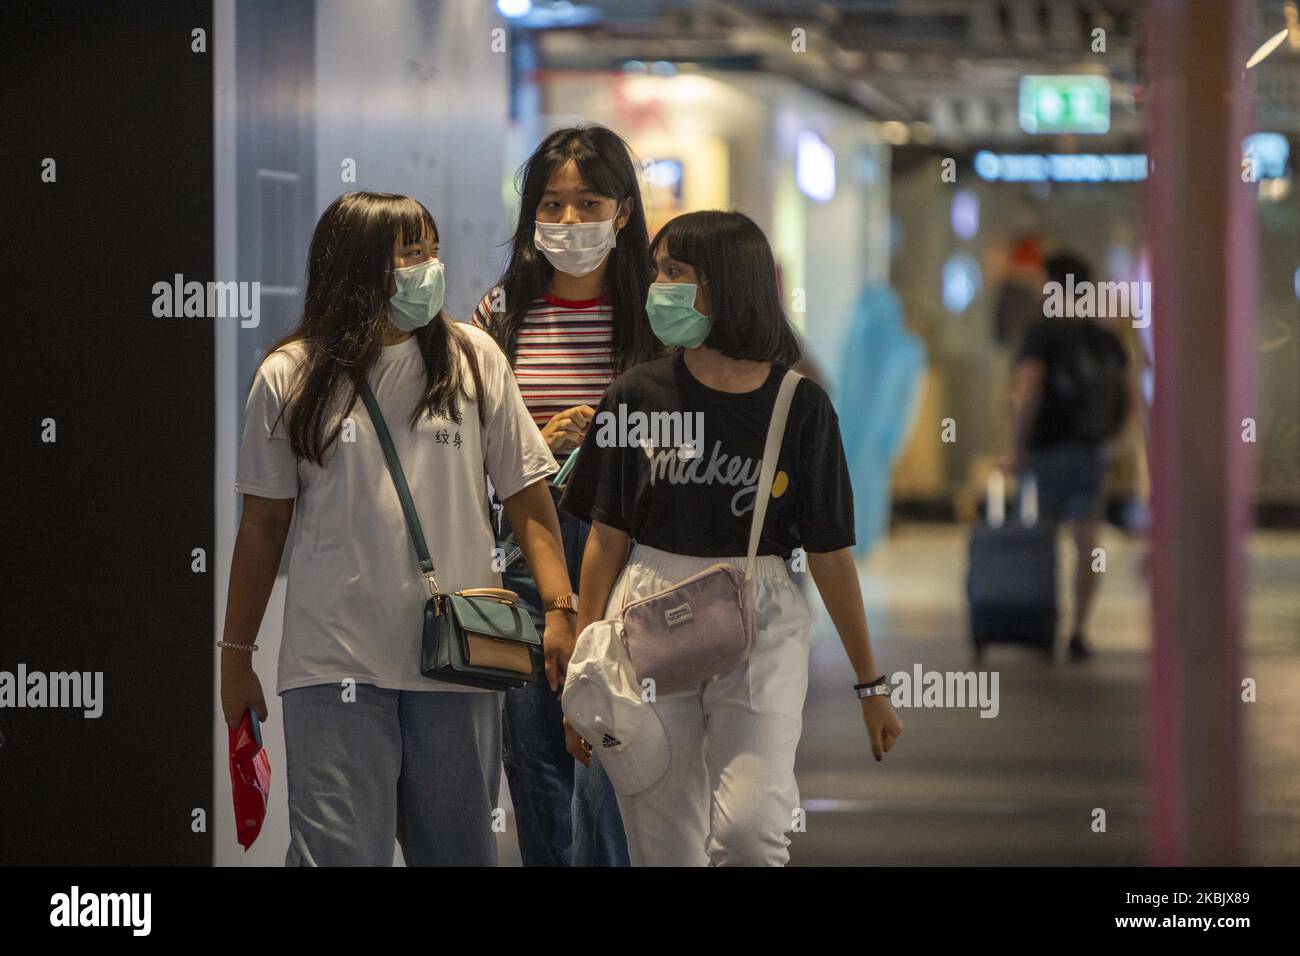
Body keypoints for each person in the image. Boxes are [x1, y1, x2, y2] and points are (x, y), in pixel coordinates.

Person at [220, 191, 577, 866]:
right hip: (333, 661)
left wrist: (560, 608)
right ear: (356, 265)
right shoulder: (289, 375)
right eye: (409, 252)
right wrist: (235, 655)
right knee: (336, 854)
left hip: (460, 657)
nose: (427, 267)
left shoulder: (473, 360)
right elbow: (262, 528)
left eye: (431, 250)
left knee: (459, 853)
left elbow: (529, 501)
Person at [559, 210, 903, 866]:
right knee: (665, 846)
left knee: (750, 832)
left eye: (675, 272)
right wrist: (585, 664)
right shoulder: (635, 396)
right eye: (659, 270)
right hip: (647, 614)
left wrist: (871, 684)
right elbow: (606, 536)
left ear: (724, 285)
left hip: (761, 616)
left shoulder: (800, 407)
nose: (658, 285)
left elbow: (829, 552)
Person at [471, 125, 658, 867]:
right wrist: (538, 441)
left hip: (629, 553)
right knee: (537, 758)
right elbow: (465, 450)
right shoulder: (499, 315)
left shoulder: (653, 312)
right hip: (527, 551)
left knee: (610, 758)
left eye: (589, 201)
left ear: (624, 210)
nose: (571, 221)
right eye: (553, 204)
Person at [1005, 250, 1138, 661]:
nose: (1034, 287)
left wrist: (1017, 446)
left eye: (1040, 279)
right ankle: (1079, 630)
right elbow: (1130, 394)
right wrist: (1109, 438)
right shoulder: (1104, 335)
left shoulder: (1043, 330)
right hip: (1090, 450)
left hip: (1046, 450)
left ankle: (1043, 626)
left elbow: (1029, 388)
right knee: (1087, 542)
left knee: (1040, 540)